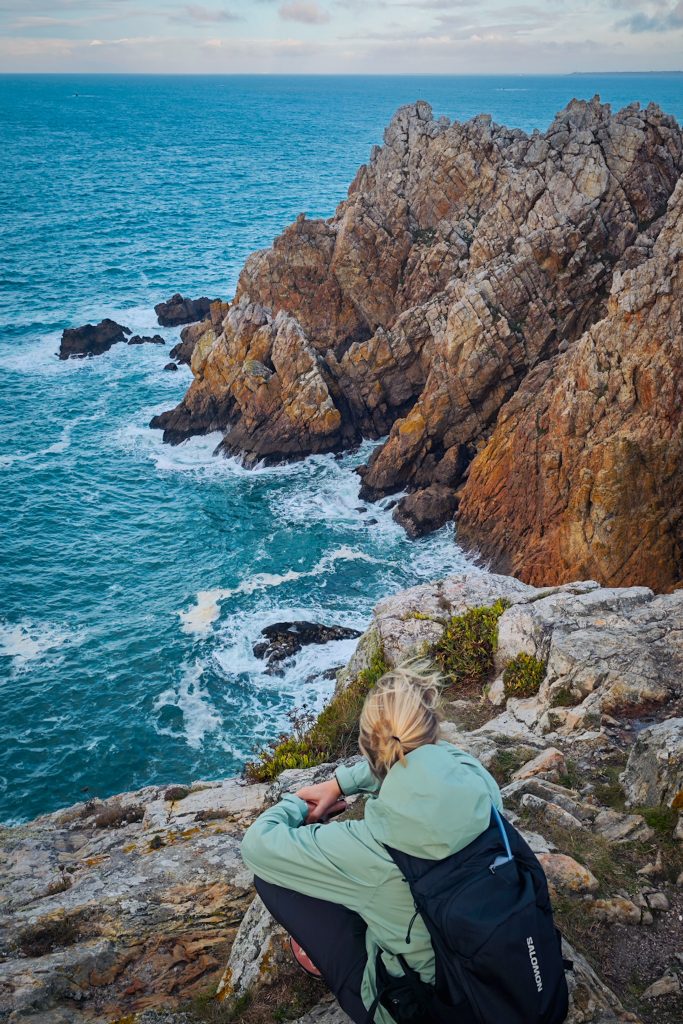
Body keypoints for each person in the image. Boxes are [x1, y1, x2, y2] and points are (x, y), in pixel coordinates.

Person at [240, 662, 502, 1024]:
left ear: (367, 748)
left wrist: (300, 804)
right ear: (433, 731)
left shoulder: (373, 847)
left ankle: (324, 959)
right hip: (502, 968)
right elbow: (437, 754)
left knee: (270, 879)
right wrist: (340, 783)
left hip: (433, 1007)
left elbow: (257, 845)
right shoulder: (478, 783)